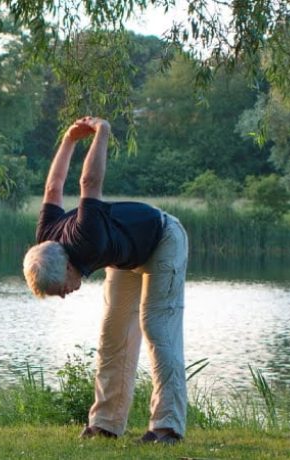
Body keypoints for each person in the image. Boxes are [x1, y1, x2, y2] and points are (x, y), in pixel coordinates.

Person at [22, 116, 189, 444]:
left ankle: (167, 427)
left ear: (68, 267)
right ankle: (105, 424)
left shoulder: (87, 237)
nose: (66, 295)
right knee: (113, 335)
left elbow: (89, 182)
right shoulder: (46, 238)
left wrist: (102, 132)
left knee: (156, 327)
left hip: (163, 239)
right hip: (125, 256)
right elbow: (53, 187)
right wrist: (68, 140)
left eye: (61, 290)